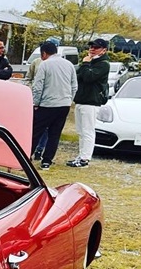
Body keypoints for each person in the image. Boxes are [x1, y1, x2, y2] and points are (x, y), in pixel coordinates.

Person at [29, 42, 78, 170]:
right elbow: (74, 86)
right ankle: (47, 161)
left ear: (44, 53)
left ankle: (26, 156)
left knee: (35, 132)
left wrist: (36, 103)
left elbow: (38, 86)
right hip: (64, 105)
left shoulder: (45, 64)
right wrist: (68, 100)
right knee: (55, 134)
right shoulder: (69, 65)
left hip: (47, 104)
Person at [68, 38, 110, 167]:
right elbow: (77, 76)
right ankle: (81, 155)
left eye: (96, 47)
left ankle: (85, 159)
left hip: (91, 102)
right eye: (91, 47)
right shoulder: (90, 62)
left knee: (88, 131)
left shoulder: (103, 64)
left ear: (103, 50)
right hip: (81, 100)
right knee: (81, 131)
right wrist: (85, 65)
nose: (92, 49)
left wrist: (85, 64)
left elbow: (88, 77)